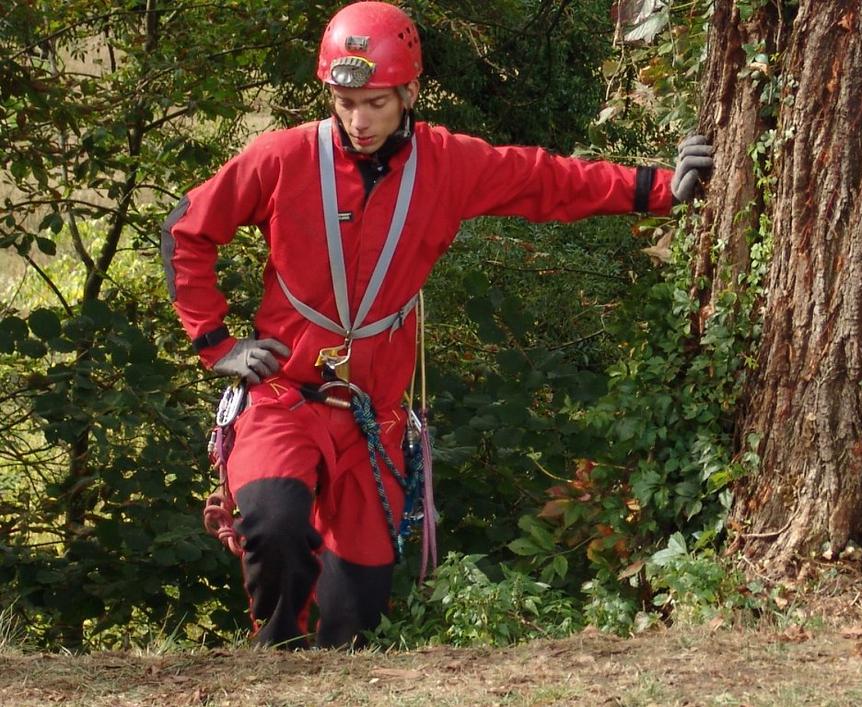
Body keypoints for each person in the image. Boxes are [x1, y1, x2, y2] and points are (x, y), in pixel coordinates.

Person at [161, 0, 712, 650]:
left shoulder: (447, 163)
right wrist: (216, 343)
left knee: (357, 613)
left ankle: (333, 676)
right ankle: (275, 656)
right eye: (345, 103)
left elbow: (548, 181)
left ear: (409, 93)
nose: (359, 121)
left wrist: (658, 188)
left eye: (376, 103)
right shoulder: (283, 157)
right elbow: (187, 229)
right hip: (283, 397)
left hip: (373, 418)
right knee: (273, 523)